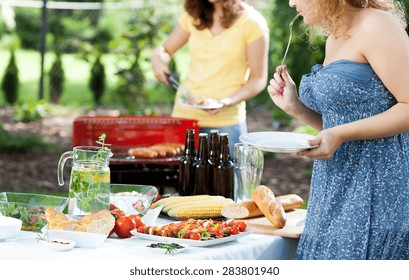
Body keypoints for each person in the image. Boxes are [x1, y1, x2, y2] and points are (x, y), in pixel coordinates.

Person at [267, 0, 409, 260]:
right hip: (334, 186)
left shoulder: (376, 24)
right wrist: (296, 107)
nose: (291, 2)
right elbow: (342, 125)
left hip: (378, 184)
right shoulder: (335, 37)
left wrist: (340, 134)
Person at [151, 0, 269, 154]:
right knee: (183, 176)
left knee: (226, 178)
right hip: (185, 117)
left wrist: (226, 102)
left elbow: (258, 79)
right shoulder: (193, 15)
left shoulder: (252, 22)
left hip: (226, 122)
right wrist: (157, 58)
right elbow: (165, 49)